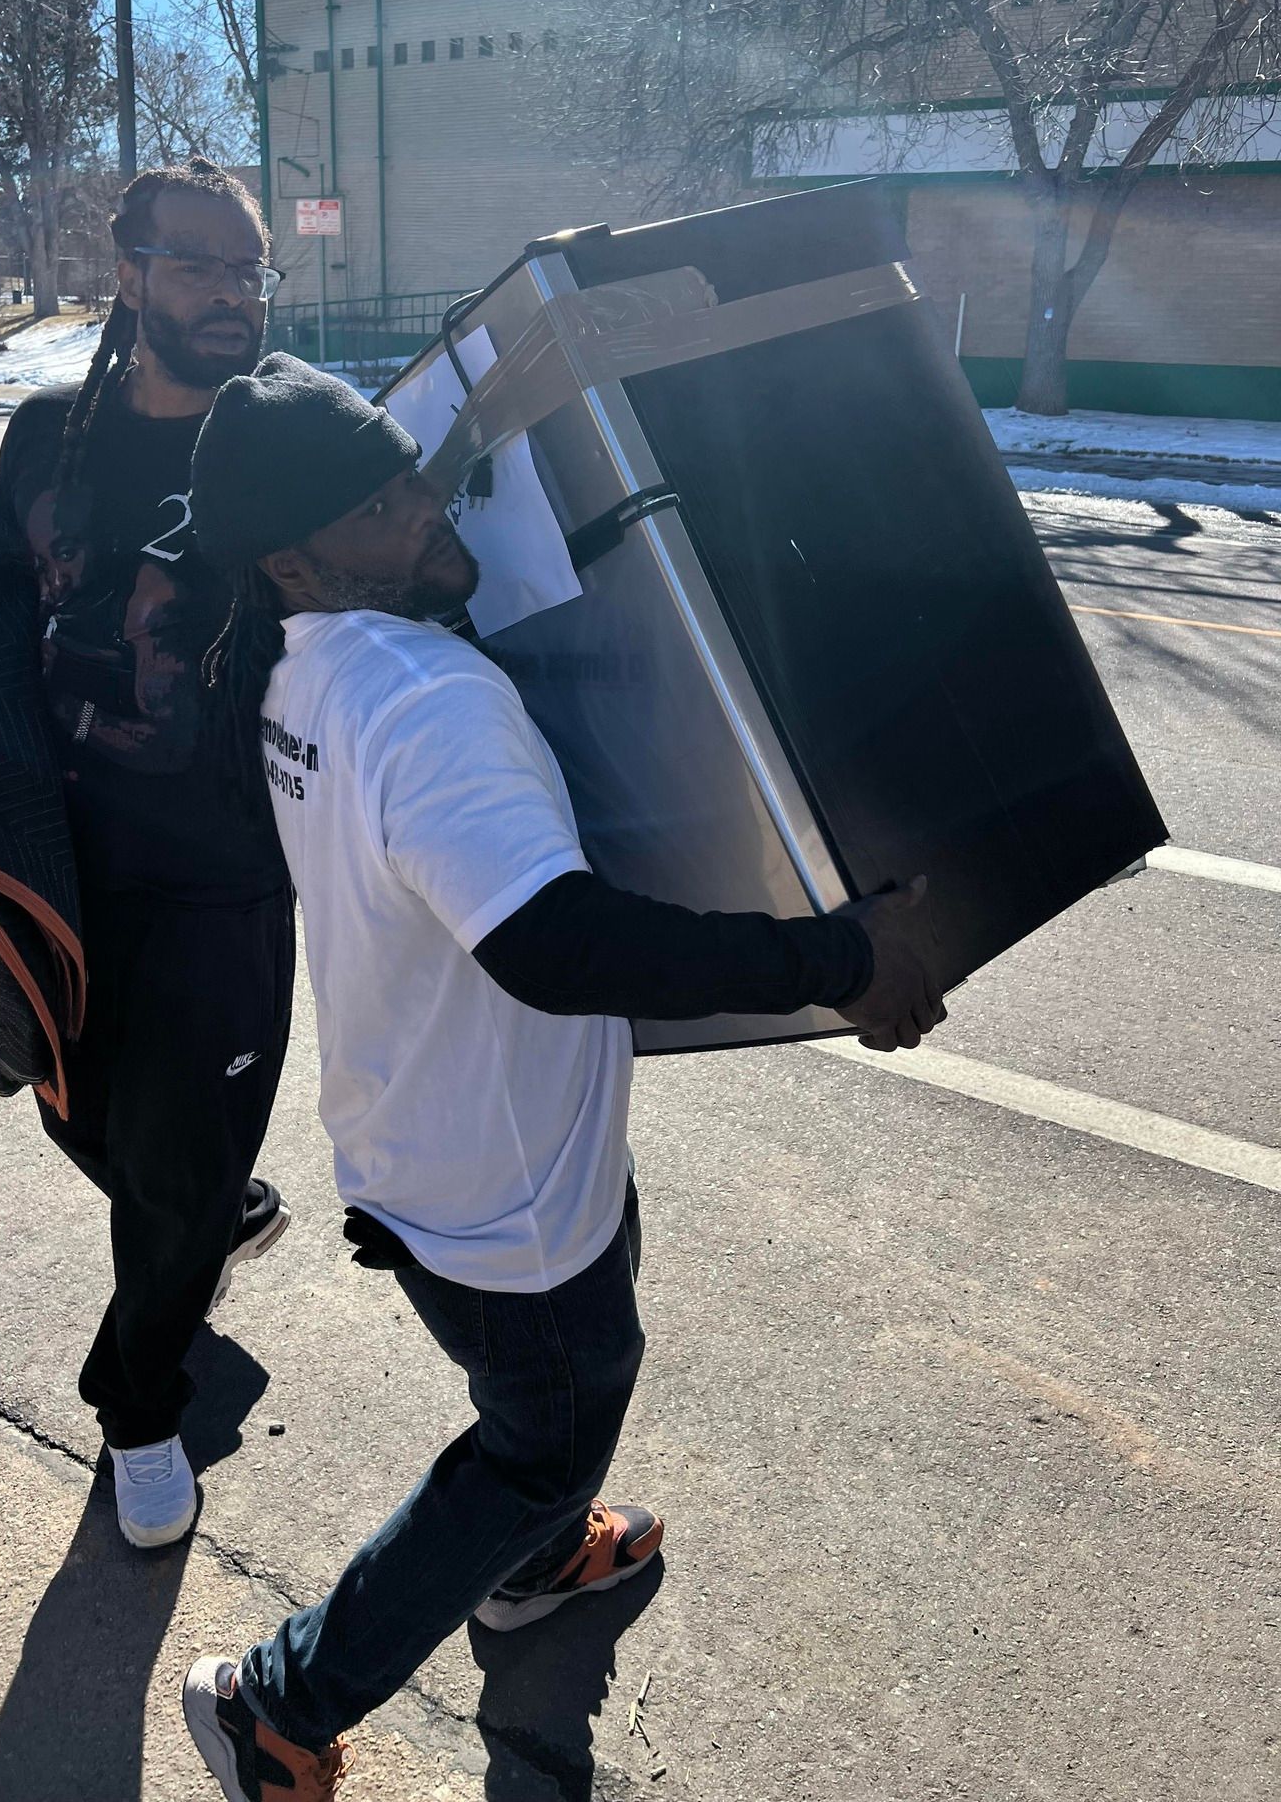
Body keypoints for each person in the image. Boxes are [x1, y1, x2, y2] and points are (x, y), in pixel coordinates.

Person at [176, 358, 945, 1799]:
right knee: (544, 1431)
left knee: (555, 1401)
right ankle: (282, 1702)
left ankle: (535, 1563)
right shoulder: (429, 699)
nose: (421, 500)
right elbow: (555, 945)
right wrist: (835, 962)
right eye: (381, 494)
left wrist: (477, 420)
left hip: (433, 1142)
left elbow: (406, 529)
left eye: (413, 466)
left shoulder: (300, 666)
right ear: (297, 556)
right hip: (506, 1195)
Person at [0, 160, 295, 1549]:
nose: (230, 294)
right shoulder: (50, 436)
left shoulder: (293, 447)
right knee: (76, 1114)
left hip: (231, 879)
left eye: (250, 270)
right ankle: (199, 1217)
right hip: (63, 859)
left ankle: (139, 1407)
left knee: (172, 1169)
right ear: (128, 272)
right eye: (199, 265)